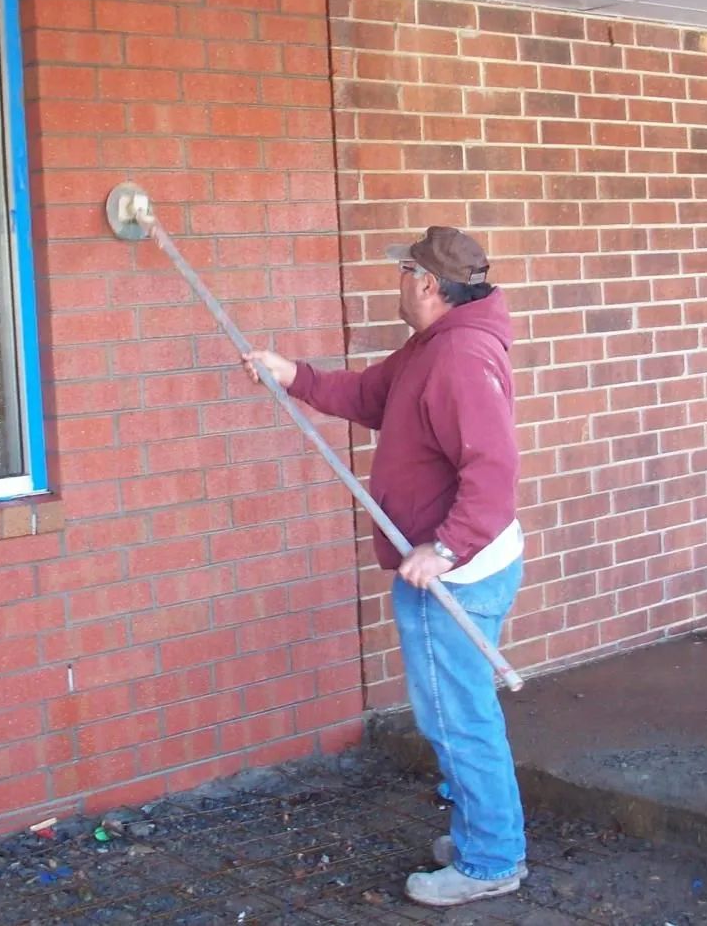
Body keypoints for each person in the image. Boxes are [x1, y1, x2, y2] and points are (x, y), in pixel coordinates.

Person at [242, 225, 526, 908]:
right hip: (458, 563)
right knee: (458, 714)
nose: (397, 281)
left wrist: (445, 547)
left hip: (455, 576)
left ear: (427, 284)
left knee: (458, 720)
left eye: (403, 271)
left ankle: (491, 859)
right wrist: (294, 376)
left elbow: (493, 471)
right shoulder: (434, 345)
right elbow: (373, 396)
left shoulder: (459, 357)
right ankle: (486, 835)